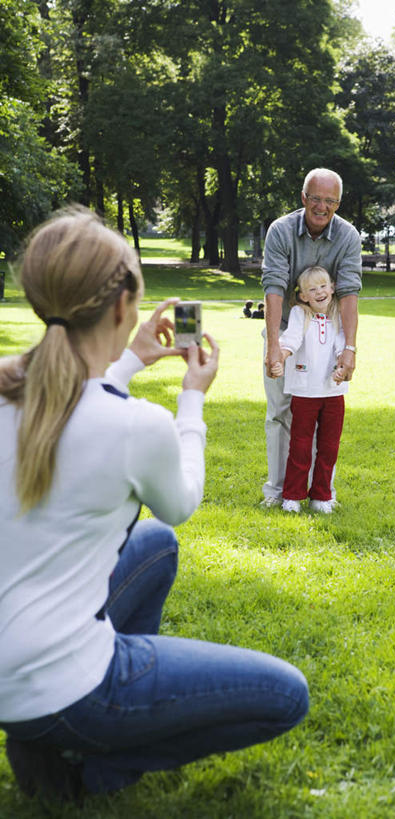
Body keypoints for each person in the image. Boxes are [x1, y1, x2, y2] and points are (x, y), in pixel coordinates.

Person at [0, 207, 308, 803]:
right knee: (286, 695)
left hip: (9, 671)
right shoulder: (134, 426)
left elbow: (76, 405)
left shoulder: (12, 383)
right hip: (62, 683)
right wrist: (191, 400)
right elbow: (180, 503)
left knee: (154, 547)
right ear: (123, 307)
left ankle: (45, 738)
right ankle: (88, 768)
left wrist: (128, 362)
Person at [261, 168, 362, 507]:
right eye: (316, 198)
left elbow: (349, 292)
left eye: (330, 201)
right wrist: (274, 345)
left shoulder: (348, 236)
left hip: (327, 335)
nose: (322, 206)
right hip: (286, 327)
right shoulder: (281, 230)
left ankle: (321, 494)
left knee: (324, 412)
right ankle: (279, 492)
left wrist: (349, 348)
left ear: (338, 203)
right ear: (304, 197)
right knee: (281, 411)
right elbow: (274, 286)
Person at [271, 267, 347, 514]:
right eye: (312, 289)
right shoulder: (299, 313)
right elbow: (292, 339)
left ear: (332, 288)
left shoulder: (340, 313)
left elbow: (342, 344)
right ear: (303, 296)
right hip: (305, 392)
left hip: (333, 392)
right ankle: (292, 495)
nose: (319, 292)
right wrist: (281, 356)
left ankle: (321, 496)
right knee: (300, 447)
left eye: (323, 286)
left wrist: (341, 367)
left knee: (329, 447)